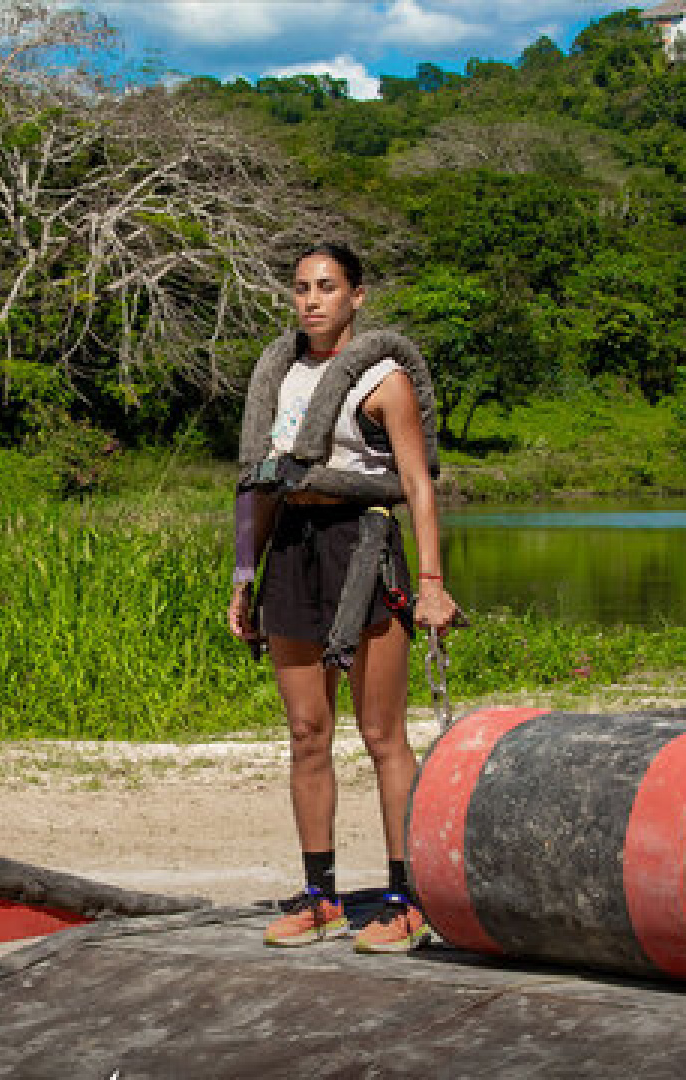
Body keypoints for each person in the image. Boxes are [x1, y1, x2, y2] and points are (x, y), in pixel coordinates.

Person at [230, 243, 461, 953]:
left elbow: (418, 484)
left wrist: (431, 585)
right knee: (307, 732)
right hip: (292, 548)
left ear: (357, 296)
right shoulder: (279, 376)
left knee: (382, 734)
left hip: (362, 546)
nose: (312, 300)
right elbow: (259, 484)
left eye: (327, 287)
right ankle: (321, 898)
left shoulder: (383, 380)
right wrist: (245, 575)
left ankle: (405, 900)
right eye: (302, 287)